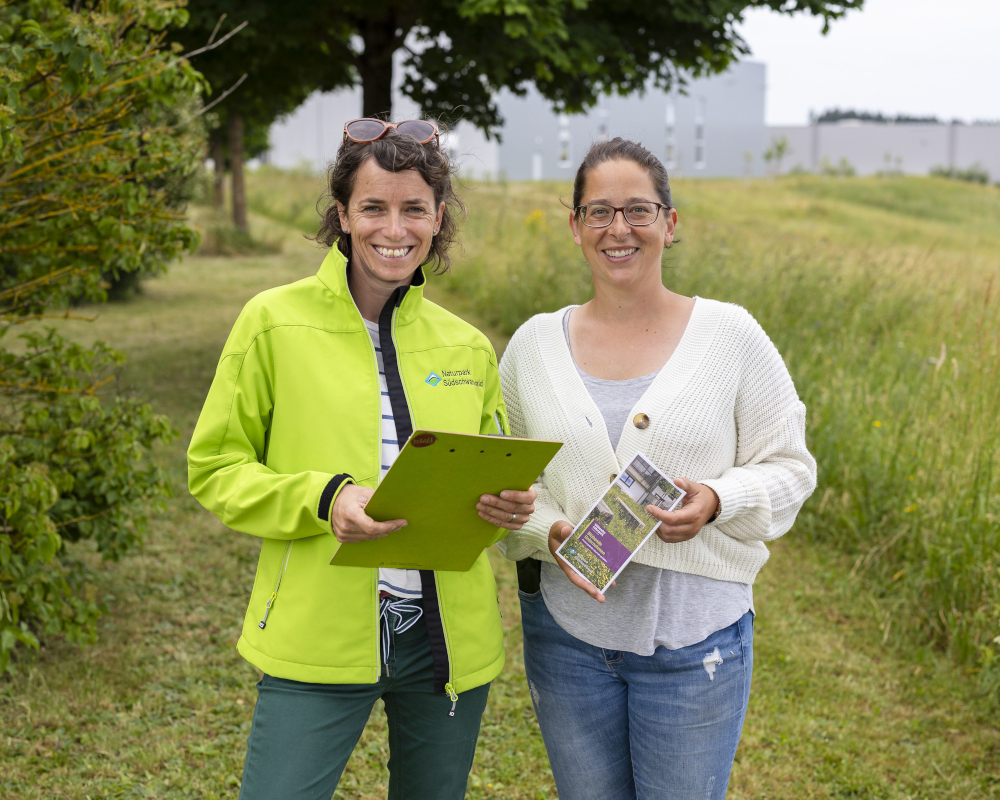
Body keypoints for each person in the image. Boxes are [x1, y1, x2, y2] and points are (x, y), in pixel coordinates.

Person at [187, 118, 536, 800]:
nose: (393, 228)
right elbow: (216, 467)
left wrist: (506, 506)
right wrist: (325, 498)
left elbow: (492, 477)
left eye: (413, 209)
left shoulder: (467, 346)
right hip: (316, 630)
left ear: (438, 218)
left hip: (446, 648)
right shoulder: (272, 322)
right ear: (342, 215)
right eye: (373, 207)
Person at [497, 137, 817, 800]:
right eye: (599, 212)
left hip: (696, 642)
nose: (619, 229)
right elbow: (508, 486)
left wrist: (719, 500)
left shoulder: (731, 336)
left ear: (671, 224)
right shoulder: (532, 347)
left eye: (638, 210)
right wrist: (553, 531)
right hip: (568, 641)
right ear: (575, 226)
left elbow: (791, 467)